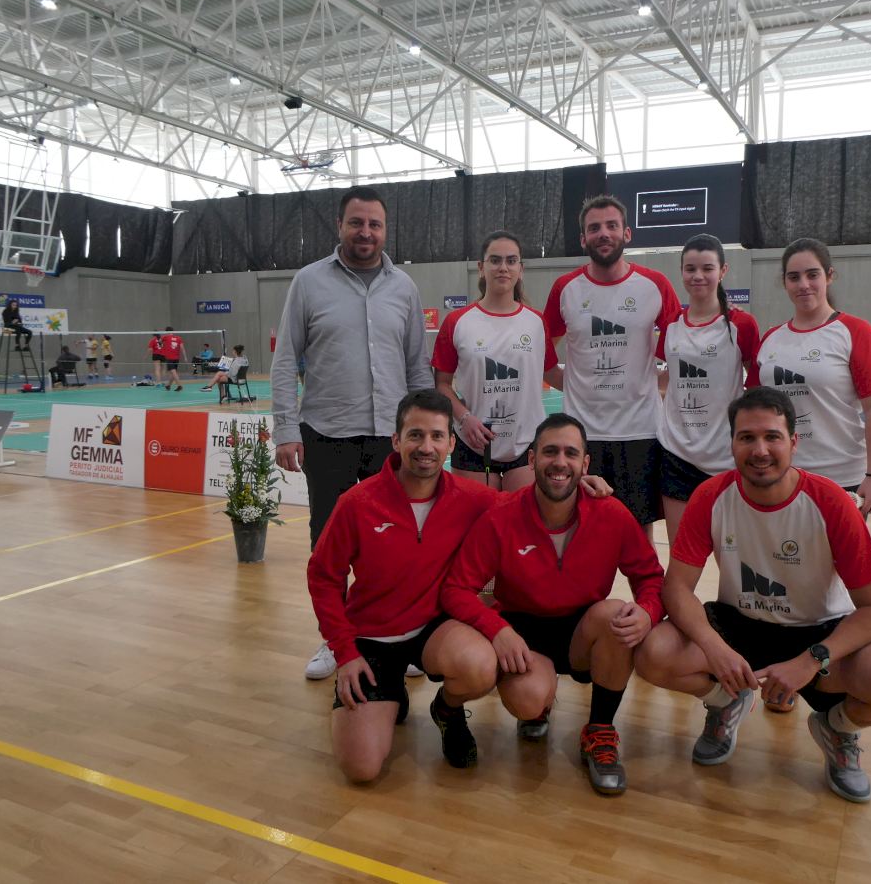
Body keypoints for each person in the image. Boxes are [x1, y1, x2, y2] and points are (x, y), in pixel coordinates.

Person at [633, 388, 871, 803]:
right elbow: (676, 588)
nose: (760, 450)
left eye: (772, 436)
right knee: (653, 653)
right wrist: (714, 648)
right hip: (740, 626)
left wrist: (811, 660)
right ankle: (725, 702)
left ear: (793, 442)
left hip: (820, 633)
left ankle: (837, 728)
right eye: (747, 438)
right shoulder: (711, 496)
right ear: (732, 443)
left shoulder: (831, 502)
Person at [440, 413, 665, 796]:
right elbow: (456, 589)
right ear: (532, 460)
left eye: (570, 453)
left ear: (585, 464)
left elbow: (651, 578)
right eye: (550, 452)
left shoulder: (611, 513)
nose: (560, 462)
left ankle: (600, 730)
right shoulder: (501, 516)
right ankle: (540, 701)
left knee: (617, 615)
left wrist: (647, 611)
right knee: (528, 701)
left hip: (583, 633)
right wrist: (497, 630)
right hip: (522, 635)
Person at [271, 185, 434, 682]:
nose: (366, 232)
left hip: (392, 439)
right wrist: (285, 429)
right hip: (327, 434)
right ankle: (335, 638)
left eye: (375, 224)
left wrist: (427, 434)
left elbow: (417, 367)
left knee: (398, 544)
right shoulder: (308, 282)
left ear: (385, 230)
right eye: (357, 223)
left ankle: (400, 636)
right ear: (340, 225)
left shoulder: (403, 287)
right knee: (329, 546)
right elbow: (284, 360)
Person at [305, 389, 506, 783]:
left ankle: (447, 711)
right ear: (396, 440)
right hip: (371, 639)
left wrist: (586, 488)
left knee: (480, 666)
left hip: (433, 631)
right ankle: (389, 691)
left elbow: (531, 505)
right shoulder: (357, 503)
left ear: (451, 444)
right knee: (361, 769)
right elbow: (323, 577)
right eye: (415, 435)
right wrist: (344, 653)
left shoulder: (471, 498)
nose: (426, 447)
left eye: (436, 436)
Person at [544, 195, 681, 539]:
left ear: (627, 233)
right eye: (594, 228)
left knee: (638, 532)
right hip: (581, 435)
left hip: (640, 432)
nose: (603, 233)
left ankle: (643, 581)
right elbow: (542, 360)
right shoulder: (565, 289)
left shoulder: (655, 285)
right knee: (579, 531)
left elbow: (684, 350)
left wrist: (657, 385)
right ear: (583, 238)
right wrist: (575, 386)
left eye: (611, 226)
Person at [748, 238, 871, 517]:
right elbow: (755, 410)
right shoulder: (770, 339)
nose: (803, 284)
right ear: (784, 282)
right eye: (794, 277)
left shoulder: (856, 332)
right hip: (781, 474)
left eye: (812, 274)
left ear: (829, 276)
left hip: (841, 477)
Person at [432, 230, 556, 492]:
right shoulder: (457, 322)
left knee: (519, 517)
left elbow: (551, 372)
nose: (503, 267)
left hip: (525, 443)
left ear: (521, 270)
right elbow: (441, 384)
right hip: (474, 443)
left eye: (511, 261)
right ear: (481, 267)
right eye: (495, 260)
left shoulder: (536, 322)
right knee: (477, 518)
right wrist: (464, 418)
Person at [657, 234, 759, 545]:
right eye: (690, 269)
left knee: (730, 552)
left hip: (724, 456)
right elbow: (666, 377)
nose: (698, 276)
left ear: (723, 271)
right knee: (681, 551)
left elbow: (756, 386)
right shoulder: (671, 324)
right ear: (681, 272)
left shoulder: (742, 325)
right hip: (675, 452)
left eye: (707, 268)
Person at [160, 326, 186, 392]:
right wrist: (185, 357)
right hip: (176, 358)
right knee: (173, 372)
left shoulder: (165, 337)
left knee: (173, 372)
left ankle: (179, 385)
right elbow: (182, 348)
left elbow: (159, 342)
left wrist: (162, 344)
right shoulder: (178, 338)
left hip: (169, 358)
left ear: (166, 332)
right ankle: (168, 385)